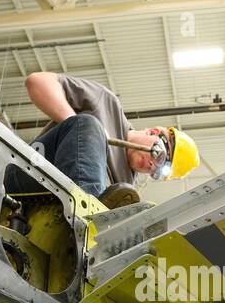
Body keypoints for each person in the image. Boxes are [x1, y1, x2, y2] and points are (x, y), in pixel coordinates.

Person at [23, 71, 199, 208]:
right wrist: (77, 125)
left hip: (42, 213)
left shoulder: (123, 191)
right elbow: (37, 81)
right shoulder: (107, 105)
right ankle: (87, 212)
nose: (152, 166)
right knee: (89, 125)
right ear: (154, 132)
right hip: (26, 173)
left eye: (157, 173)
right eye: (159, 157)